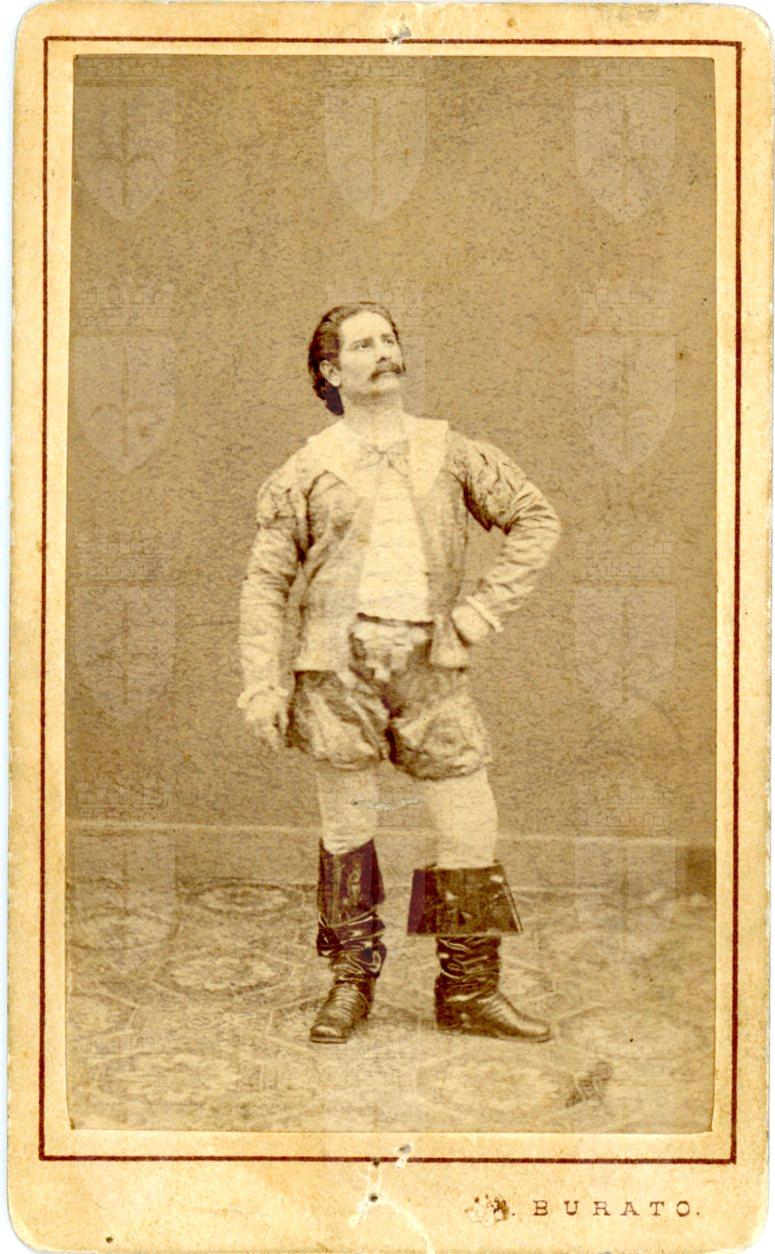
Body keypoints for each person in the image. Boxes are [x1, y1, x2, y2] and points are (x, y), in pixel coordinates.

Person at [238, 302, 561, 1045]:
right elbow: (265, 582)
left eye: (388, 339)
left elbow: (535, 519)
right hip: (335, 673)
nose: (383, 352)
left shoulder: (449, 451)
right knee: (347, 824)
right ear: (330, 371)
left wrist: (478, 614)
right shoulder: (308, 468)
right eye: (363, 345)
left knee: (468, 822)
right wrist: (262, 681)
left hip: (430, 668)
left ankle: (468, 990)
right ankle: (351, 983)